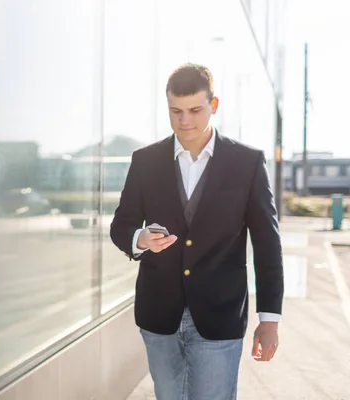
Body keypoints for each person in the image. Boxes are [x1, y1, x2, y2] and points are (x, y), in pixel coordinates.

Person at [110, 64, 284, 400]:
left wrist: (270, 318)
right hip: (159, 315)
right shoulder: (145, 161)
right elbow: (122, 224)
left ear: (213, 106)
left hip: (221, 314)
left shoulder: (246, 163)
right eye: (175, 111)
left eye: (194, 110)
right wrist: (140, 240)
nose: (184, 121)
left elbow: (267, 245)